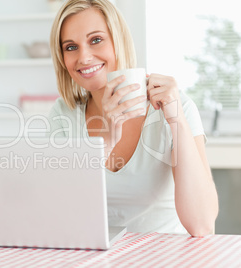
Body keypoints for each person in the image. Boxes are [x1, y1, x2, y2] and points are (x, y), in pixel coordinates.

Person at [48, 0, 218, 236]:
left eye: (96, 40)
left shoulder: (177, 107)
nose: (84, 57)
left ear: (119, 41)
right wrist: (105, 143)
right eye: (70, 47)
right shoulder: (62, 115)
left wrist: (176, 121)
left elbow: (201, 225)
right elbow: (60, 214)